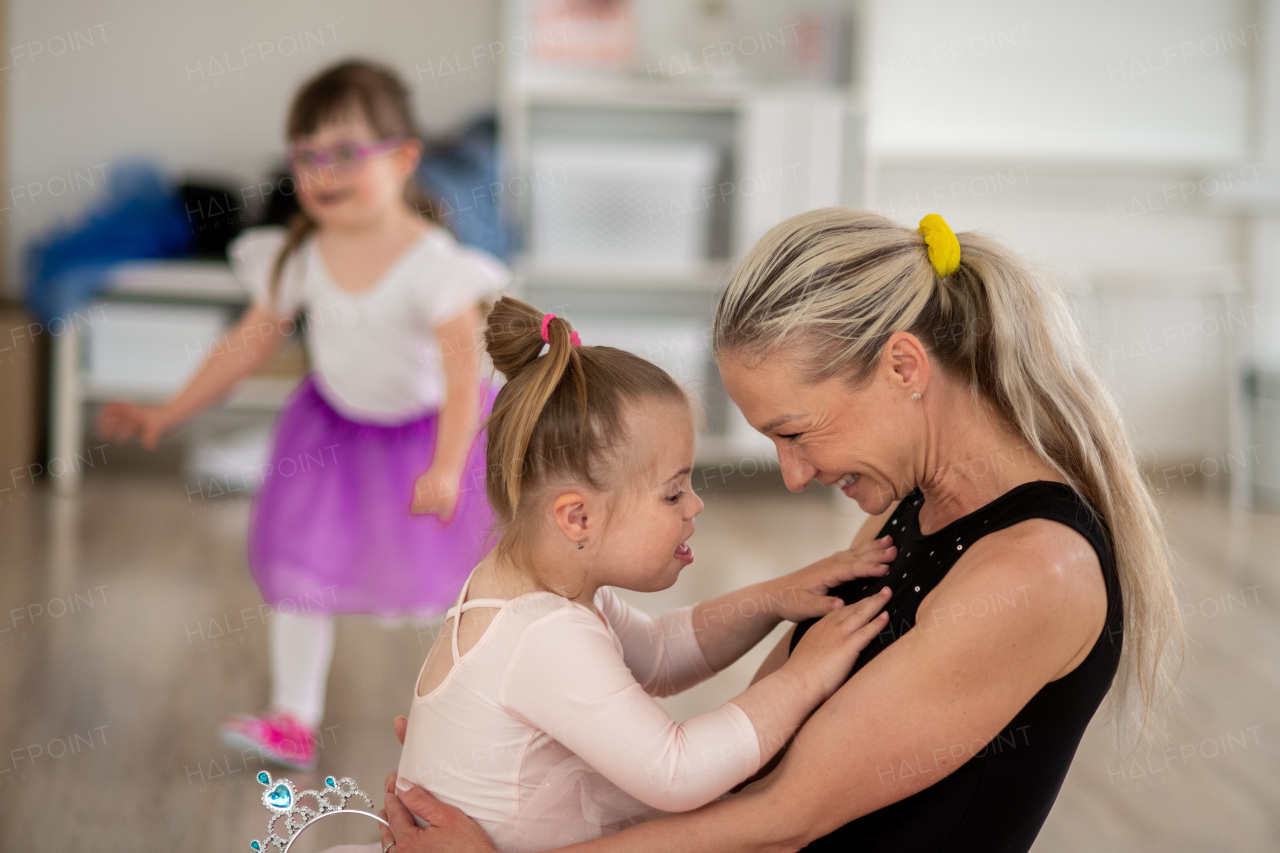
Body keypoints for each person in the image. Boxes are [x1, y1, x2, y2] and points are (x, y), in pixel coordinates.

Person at [375, 210, 1183, 852]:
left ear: (904, 367)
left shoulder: (1035, 568)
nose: (793, 474)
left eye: (796, 432)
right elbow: (755, 734)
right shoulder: (908, 508)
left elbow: (776, 819)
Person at [97, 60, 508, 769]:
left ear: (405, 157)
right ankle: (293, 717)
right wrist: (170, 412)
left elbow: (462, 368)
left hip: (431, 435)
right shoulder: (303, 252)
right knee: (302, 571)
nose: (322, 170)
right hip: (334, 436)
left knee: (457, 584)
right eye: (306, 154)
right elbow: (244, 346)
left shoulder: (433, 265)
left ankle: (484, 713)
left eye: (345, 152)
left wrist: (447, 465)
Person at [380, 295, 894, 852]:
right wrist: (805, 676)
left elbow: (660, 651)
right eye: (673, 492)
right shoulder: (541, 634)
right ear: (578, 517)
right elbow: (677, 772)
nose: (695, 506)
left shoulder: (524, 590)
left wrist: (774, 598)